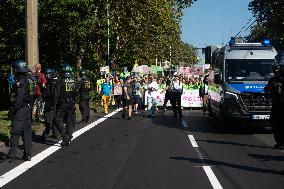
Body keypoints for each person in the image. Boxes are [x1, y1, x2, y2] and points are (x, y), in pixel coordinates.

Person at [7, 60, 34, 163]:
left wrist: (13, 110)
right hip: (28, 108)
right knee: (26, 132)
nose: (13, 71)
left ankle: (12, 156)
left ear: (18, 69)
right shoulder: (30, 79)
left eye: (14, 68)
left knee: (15, 131)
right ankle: (28, 154)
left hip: (20, 108)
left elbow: (19, 97)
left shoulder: (21, 80)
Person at [54, 64, 77, 146]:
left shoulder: (60, 81)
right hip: (71, 103)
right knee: (69, 120)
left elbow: (56, 95)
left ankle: (65, 137)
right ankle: (69, 136)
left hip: (62, 104)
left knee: (58, 120)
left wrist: (54, 105)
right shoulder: (73, 81)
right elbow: (75, 93)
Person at [265, 64, 284, 150]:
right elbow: (266, 89)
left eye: (277, 70)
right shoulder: (273, 80)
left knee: (281, 124)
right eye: (275, 70)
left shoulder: (281, 80)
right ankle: (279, 143)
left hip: (282, 106)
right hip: (276, 106)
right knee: (274, 122)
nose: (276, 72)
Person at [41, 68, 60, 141]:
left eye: (46, 74)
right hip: (57, 104)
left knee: (48, 120)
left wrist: (43, 89)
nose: (45, 76)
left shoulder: (50, 83)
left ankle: (46, 134)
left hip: (50, 104)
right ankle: (55, 133)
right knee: (55, 119)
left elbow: (47, 95)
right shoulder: (58, 81)